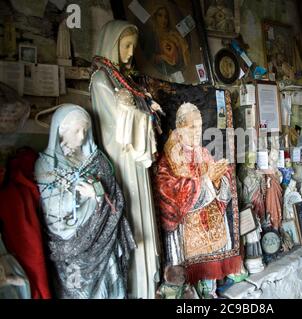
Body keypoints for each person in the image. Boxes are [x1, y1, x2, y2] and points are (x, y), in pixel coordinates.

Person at [90, 20, 162, 299]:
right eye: (126, 45)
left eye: (133, 46)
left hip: (134, 156)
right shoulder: (101, 79)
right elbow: (115, 122)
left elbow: (134, 111)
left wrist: (145, 109)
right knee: (133, 215)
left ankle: (149, 280)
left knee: (144, 214)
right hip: (122, 158)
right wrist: (143, 115)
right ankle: (136, 287)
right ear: (112, 44)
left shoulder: (122, 79)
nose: (131, 52)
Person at [35, 104, 135, 298]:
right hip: (71, 246)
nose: (82, 136)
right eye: (77, 130)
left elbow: (116, 198)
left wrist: (97, 195)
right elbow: (52, 209)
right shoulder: (46, 164)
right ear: (60, 130)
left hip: (103, 240)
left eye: (85, 131)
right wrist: (76, 195)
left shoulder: (97, 160)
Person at [154, 103, 241, 295]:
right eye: (192, 127)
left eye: (199, 127)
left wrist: (218, 181)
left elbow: (218, 184)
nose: (197, 132)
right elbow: (169, 191)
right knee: (189, 283)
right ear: (180, 128)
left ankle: (210, 290)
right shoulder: (169, 156)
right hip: (188, 229)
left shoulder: (202, 153)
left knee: (209, 284)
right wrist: (207, 181)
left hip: (211, 227)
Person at [148, 6, 190, 75]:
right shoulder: (152, 36)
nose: (163, 19)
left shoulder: (174, 35)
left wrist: (179, 43)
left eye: (166, 17)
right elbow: (149, 57)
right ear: (155, 17)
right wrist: (162, 57)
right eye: (160, 15)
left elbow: (184, 56)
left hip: (176, 71)